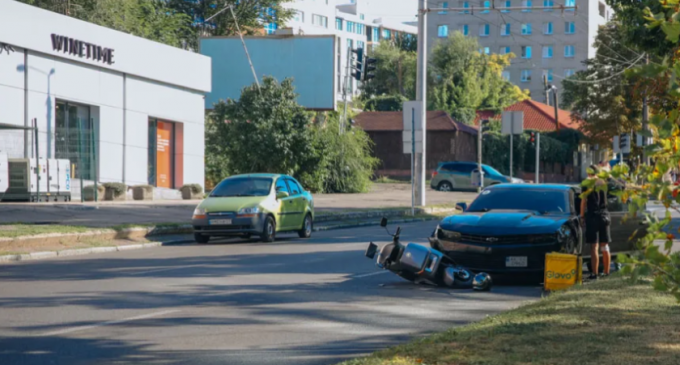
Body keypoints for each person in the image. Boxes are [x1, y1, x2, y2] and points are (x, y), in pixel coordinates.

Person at [580, 165, 611, 280]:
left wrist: (582, 217)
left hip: (593, 216)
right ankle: (607, 272)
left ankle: (595, 273)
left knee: (594, 247)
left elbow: (583, 202)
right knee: (605, 246)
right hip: (604, 216)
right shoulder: (603, 183)